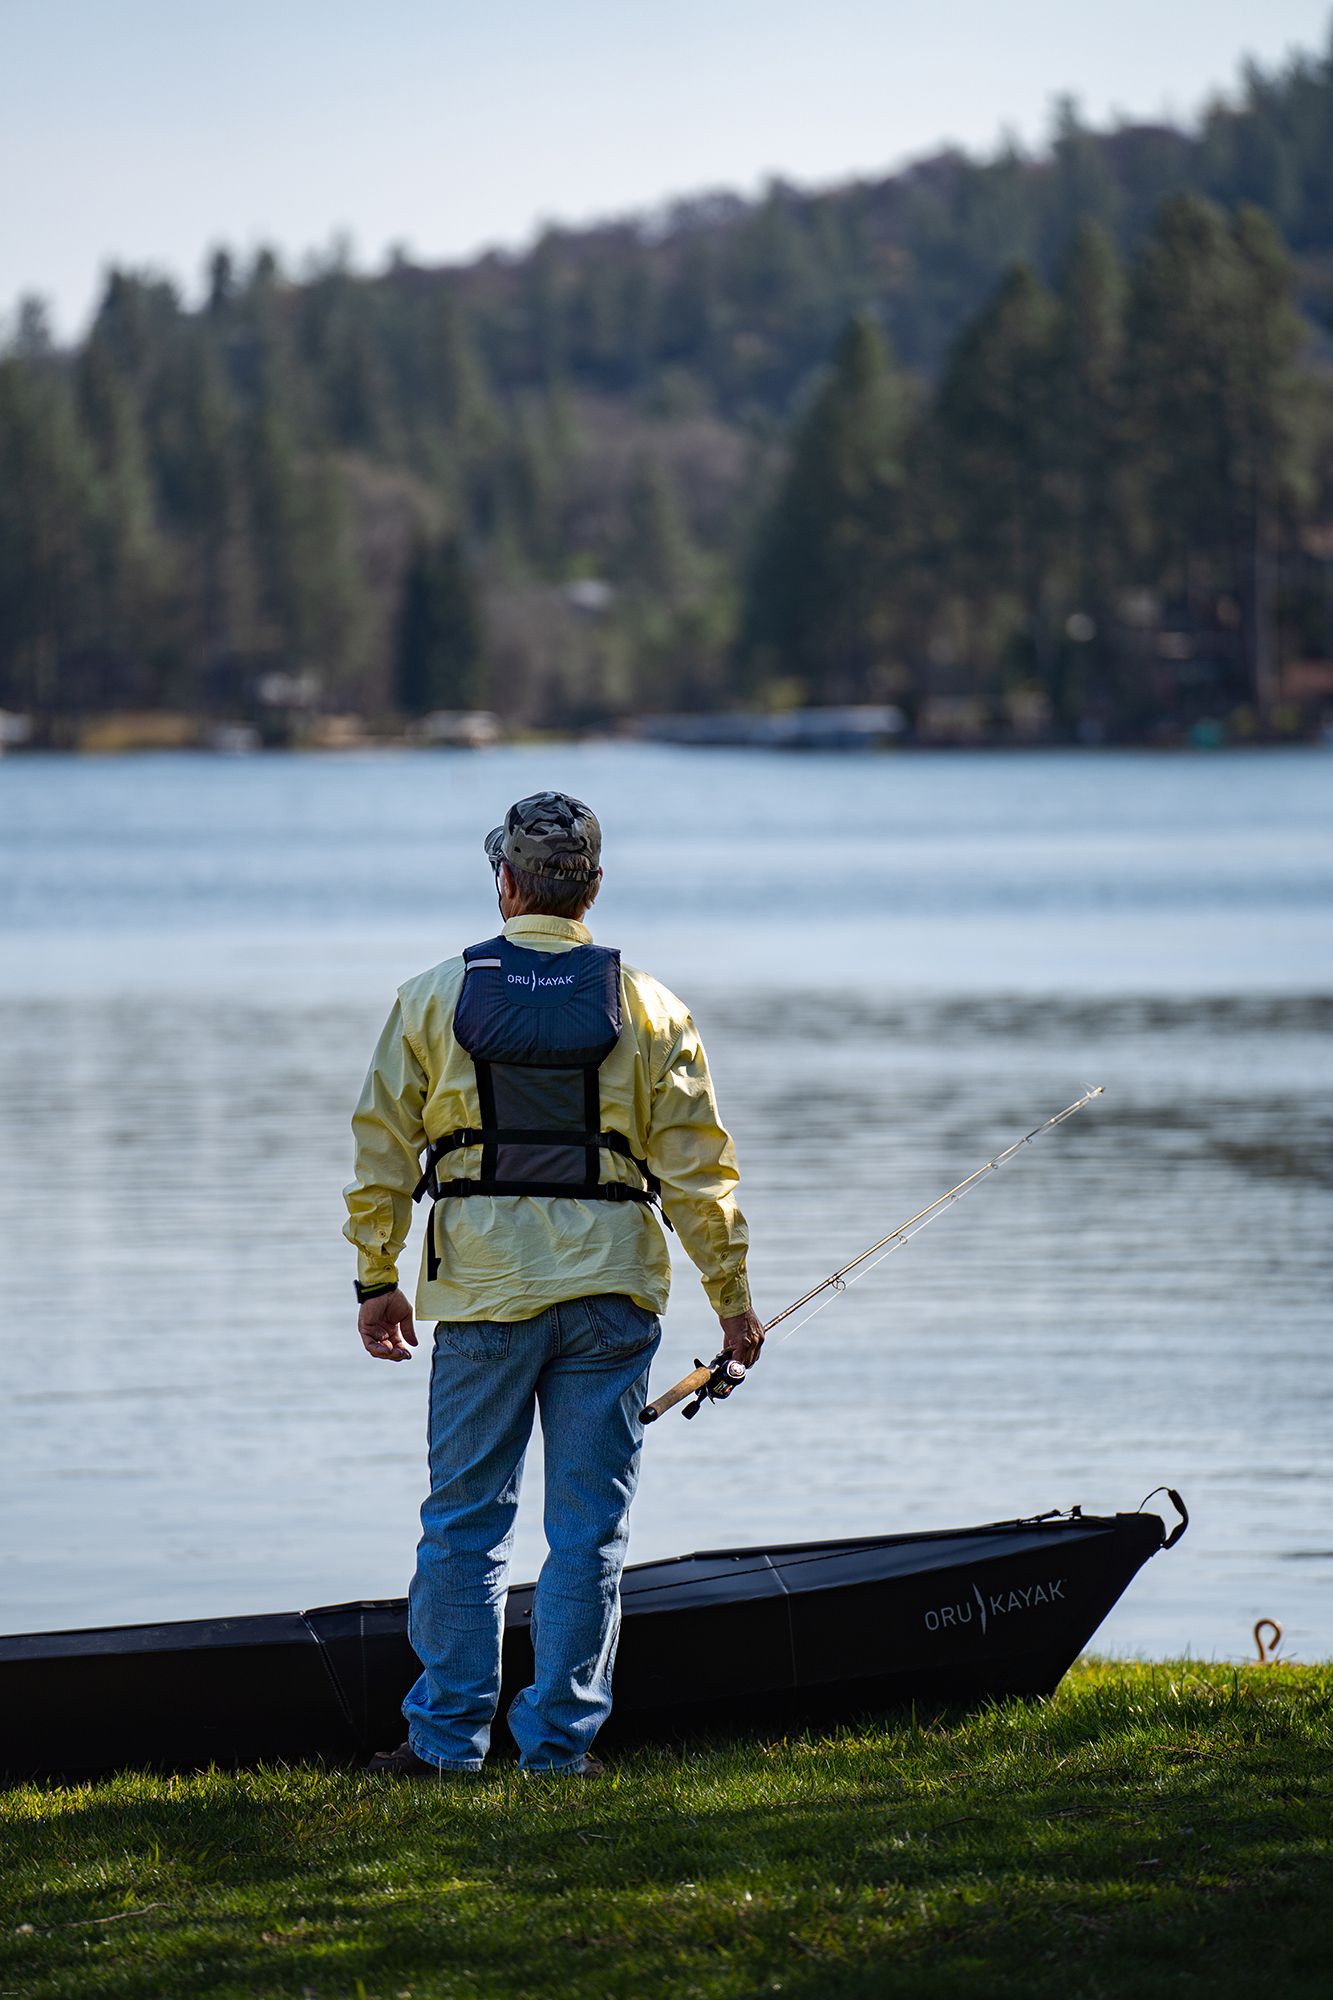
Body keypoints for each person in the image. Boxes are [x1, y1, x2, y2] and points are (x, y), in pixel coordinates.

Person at [343, 790, 763, 1776]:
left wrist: (375, 1274)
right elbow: (702, 1175)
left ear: (507, 882)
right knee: (588, 1531)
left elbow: (380, 1152)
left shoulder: (427, 997)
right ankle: (560, 1750)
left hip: (482, 1293)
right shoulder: (655, 1007)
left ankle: (444, 1743)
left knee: (465, 1519)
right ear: (593, 888)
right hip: (613, 1294)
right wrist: (733, 1300)